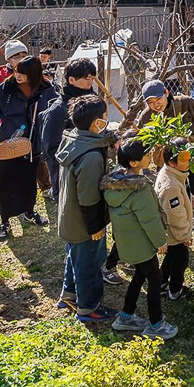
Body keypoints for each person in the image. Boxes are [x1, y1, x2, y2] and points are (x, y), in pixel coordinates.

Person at [103, 137, 177, 340]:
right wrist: (160, 241)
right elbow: (150, 220)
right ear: (134, 163)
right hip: (142, 244)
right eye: (145, 154)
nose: (149, 156)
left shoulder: (115, 185)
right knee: (155, 278)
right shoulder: (140, 189)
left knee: (140, 275)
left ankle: (126, 315)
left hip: (128, 243)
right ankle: (156, 323)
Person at [0, 55, 57, 241]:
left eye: (23, 73)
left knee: (28, 181)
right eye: (16, 71)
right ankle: (4, 221)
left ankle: (29, 211)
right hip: (7, 144)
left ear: (33, 74)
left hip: (32, 145)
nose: (18, 75)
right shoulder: (6, 88)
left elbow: (56, 111)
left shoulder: (46, 89)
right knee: (6, 183)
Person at [55, 95, 118, 321]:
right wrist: (96, 227)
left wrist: (111, 138)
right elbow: (89, 198)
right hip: (85, 223)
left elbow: (97, 141)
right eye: (104, 117)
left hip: (69, 216)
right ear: (95, 124)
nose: (106, 120)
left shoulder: (74, 139)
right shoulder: (90, 158)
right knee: (90, 264)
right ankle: (88, 307)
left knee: (75, 258)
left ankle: (69, 294)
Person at [137, 79, 194, 247]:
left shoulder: (186, 103)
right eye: (150, 102)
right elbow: (141, 137)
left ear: (167, 92)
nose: (155, 104)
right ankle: (174, 229)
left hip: (192, 157)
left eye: (158, 99)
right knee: (173, 195)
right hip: (167, 165)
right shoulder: (146, 116)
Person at [41, 58, 97, 202]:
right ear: (71, 80)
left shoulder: (93, 102)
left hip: (92, 170)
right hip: (67, 174)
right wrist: (76, 161)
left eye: (92, 78)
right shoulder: (58, 110)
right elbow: (51, 148)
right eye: (86, 78)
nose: (90, 82)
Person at [155, 137, 194, 299]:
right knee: (181, 261)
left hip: (170, 233)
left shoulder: (170, 173)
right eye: (184, 158)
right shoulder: (170, 186)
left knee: (171, 257)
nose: (189, 160)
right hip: (175, 234)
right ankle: (175, 290)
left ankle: (161, 282)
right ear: (171, 162)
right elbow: (175, 216)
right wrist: (184, 235)